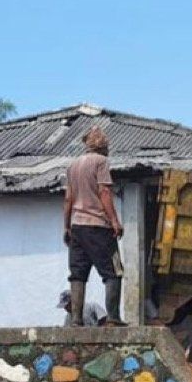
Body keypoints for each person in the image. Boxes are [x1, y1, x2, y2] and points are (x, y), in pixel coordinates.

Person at [63, 126, 124, 326]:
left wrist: (66, 227)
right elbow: (104, 192)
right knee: (113, 272)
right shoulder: (101, 162)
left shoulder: (73, 166)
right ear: (104, 146)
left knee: (78, 274)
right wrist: (114, 221)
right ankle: (113, 318)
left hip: (77, 227)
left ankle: (76, 320)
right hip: (98, 226)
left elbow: (68, 199)